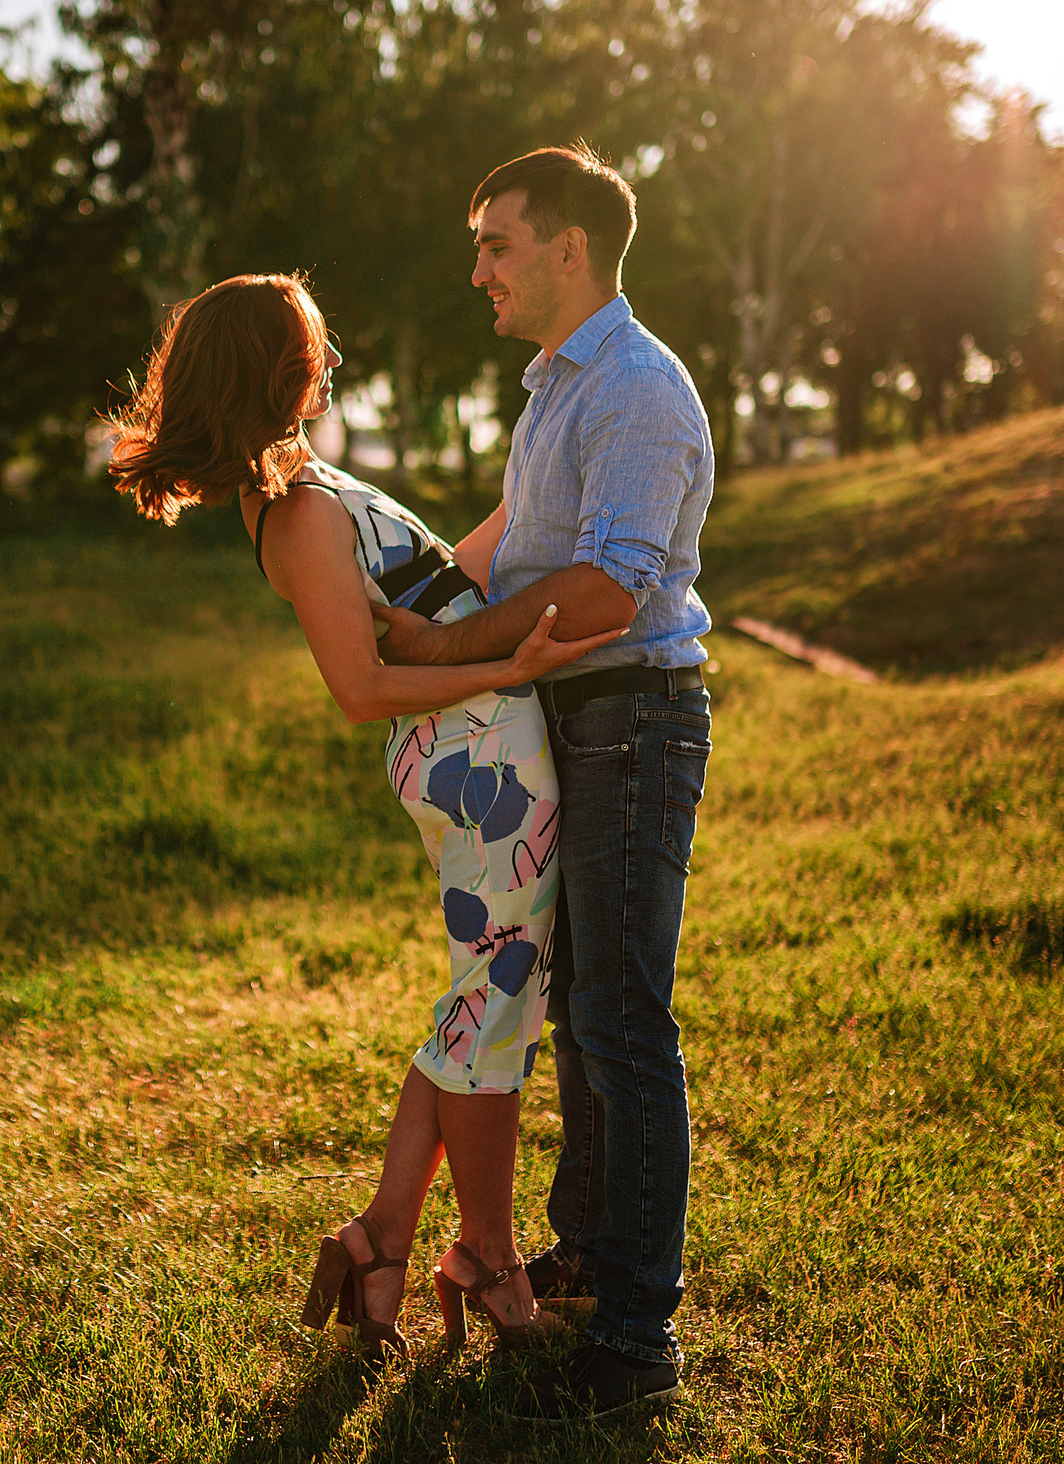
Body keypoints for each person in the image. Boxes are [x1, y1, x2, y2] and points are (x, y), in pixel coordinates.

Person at [106, 272, 625, 1361]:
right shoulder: (293, 514)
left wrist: (541, 488)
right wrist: (515, 660)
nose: (331, 365)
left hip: (480, 747)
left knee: (482, 1002)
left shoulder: (304, 483)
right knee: (491, 1017)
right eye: (311, 351)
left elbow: (442, 583)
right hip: (471, 762)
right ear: (267, 372)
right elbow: (363, 688)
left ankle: (383, 1237)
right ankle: (484, 1253)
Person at [373, 145, 715, 1422]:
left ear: (571, 247)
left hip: (632, 720)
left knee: (622, 1018)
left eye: (496, 243)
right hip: (579, 722)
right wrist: (391, 600)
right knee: (581, 1012)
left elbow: (606, 589)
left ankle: (638, 1330)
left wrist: (442, 642)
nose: (478, 271)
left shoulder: (632, 388)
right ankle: (583, 1260)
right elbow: (512, 547)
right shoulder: (555, 388)